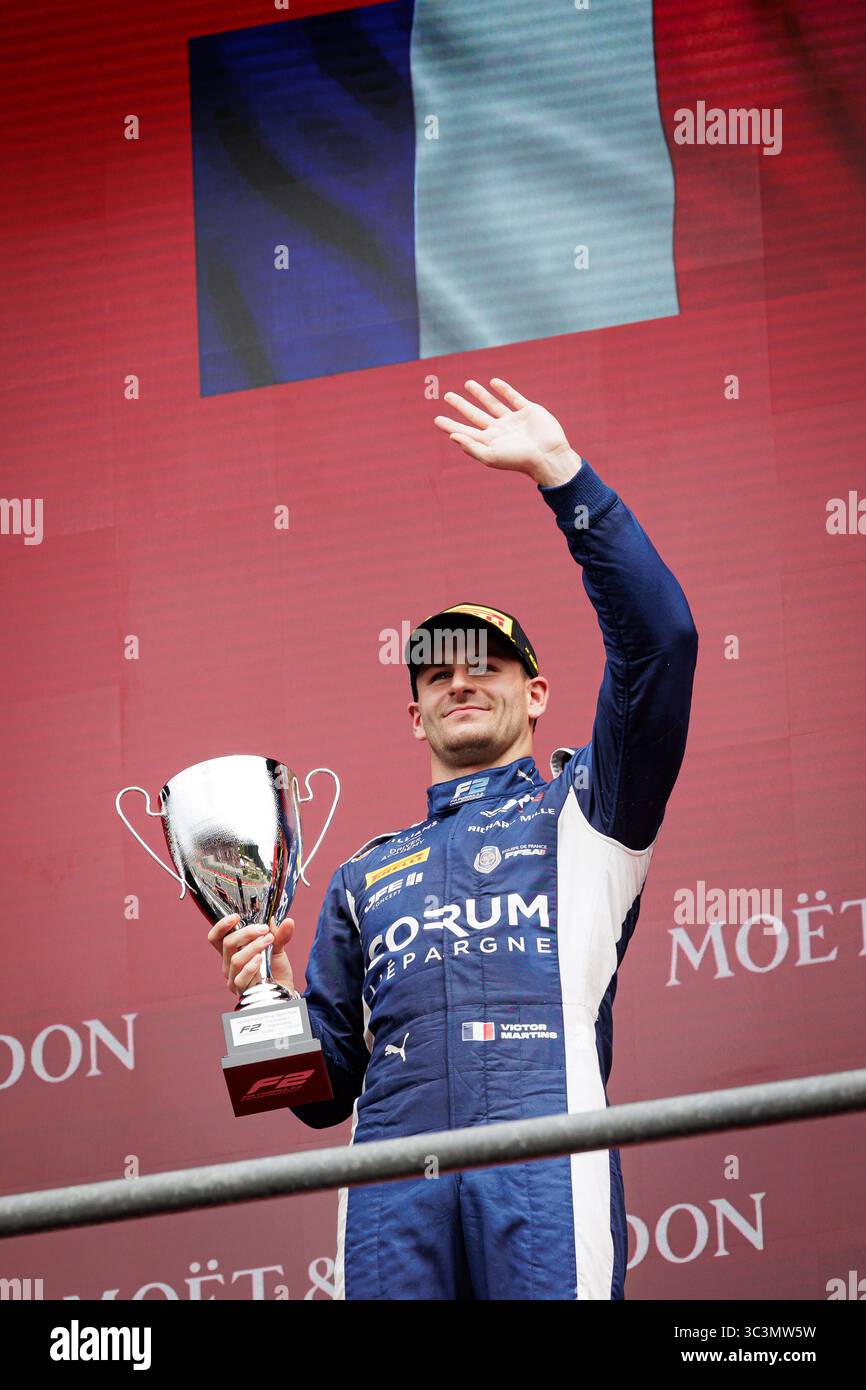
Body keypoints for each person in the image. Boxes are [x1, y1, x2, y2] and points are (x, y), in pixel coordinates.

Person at [209, 377, 699, 1300]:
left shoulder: (590, 811)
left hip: (545, 1158)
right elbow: (315, 1100)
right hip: (391, 1184)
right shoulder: (362, 873)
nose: (462, 680)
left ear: (538, 694)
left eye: (491, 662)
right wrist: (262, 1002)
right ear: (414, 712)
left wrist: (565, 477)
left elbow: (662, 643)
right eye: (438, 672)